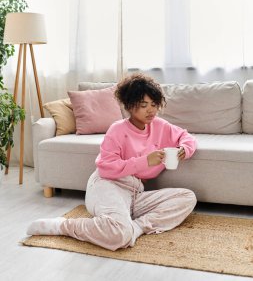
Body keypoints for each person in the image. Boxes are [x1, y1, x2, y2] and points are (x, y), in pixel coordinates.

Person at [27, 73, 197, 251]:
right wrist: (145, 161)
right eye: (144, 105)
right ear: (130, 106)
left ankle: (136, 227)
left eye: (154, 105)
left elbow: (186, 137)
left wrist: (183, 150)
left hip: (135, 193)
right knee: (118, 237)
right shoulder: (117, 130)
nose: (151, 110)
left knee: (187, 197)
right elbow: (106, 168)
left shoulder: (160, 126)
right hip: (107, 185)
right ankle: (63, 226)